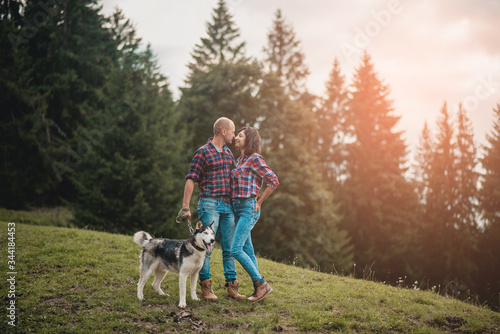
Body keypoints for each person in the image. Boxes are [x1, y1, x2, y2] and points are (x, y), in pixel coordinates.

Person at [180, 117, 246, 301]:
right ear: (223, 131)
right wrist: (185, 207)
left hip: (228, 205)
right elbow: (191, 179)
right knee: (207, 247)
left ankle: (232, 286)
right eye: (233, 132)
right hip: (209, 203)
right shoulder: (202, 152)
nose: (234, 136)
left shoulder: (228, 154)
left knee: (230, 247)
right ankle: (206, 286)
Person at [230, 126, 278, 302]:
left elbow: (273, 180)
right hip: (236, 209)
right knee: (248, 251)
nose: (236, 137)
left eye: (240, 136)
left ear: (248, 140)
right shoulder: (239, 160)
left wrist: (259, 201)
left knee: (236, 249)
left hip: (249, 208)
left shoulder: (255, 158)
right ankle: (258, 289)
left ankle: (262, 285)